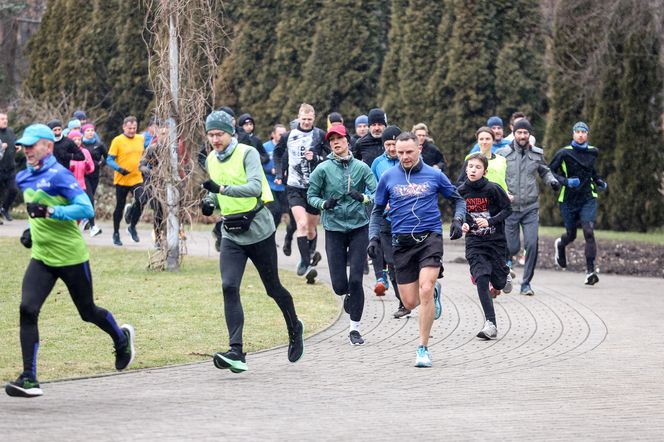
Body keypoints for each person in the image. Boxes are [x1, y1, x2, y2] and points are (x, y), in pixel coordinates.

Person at [5, 124, 135, 398]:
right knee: (27, 309)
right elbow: (35, 211)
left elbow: (86, 208)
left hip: (71, 257)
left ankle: (121, 339)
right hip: (42, 257)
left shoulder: (59, 175)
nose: (27, 150)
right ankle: (29, 378)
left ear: (47, 146)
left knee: (87, 311)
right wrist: (31, 230)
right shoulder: (25, 177)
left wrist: (52, 211)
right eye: (25, 146)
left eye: (32, 145)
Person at [200, 110, 304, 373]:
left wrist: (220, 190)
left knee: (273, 288)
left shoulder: (247, 153)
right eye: (211, 135)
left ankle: (294, 327)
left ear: (230, 133)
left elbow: (255, 187)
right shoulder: (211, 158)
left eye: (219, 134)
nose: (215, 139)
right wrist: (210, 202)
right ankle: (236, 351)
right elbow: (217, 193)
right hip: (232, 232)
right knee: (228, 286)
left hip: (258, 230)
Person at [369, 132, 466, 367]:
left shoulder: (434, 175)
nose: (404, 157)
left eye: (409, 152)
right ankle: (433, 294)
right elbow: (376, 211)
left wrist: (457, 220)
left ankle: (423, 348)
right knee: (410, 303)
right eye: (400, 153)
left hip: (429, 239)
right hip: (402, 244)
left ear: (419, 149)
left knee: (424, 289)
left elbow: (458, 199)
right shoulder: (388, 177)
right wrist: (373, 237)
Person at [307, 124, 377, 345]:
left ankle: (354, 329)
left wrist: (363, 198)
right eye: (332, 140)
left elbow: (376, 192)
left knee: (356, 280)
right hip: (334, 229)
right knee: (339, 285)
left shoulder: (362, 167)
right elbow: (311, 195)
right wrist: (324, 204)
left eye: (340, 138)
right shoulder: (323, 169)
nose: (336, 142)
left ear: (348, 140)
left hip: (359, 227)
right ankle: (348, 296)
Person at [496, 119, 560, 296]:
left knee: (532, 244)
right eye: (519, 132)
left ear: (529, 134)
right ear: (514, 134)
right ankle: (506, 268)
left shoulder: (537, 154)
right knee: (513, 247)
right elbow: (497, 176)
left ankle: (526, 284)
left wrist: (551, 181)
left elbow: (544, 171)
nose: (522, 136)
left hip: (530, 207)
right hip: (510, 208)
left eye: (525, 133)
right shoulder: (503, 154)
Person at [458, 153, 513, 340]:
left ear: (485, 171)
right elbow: (458, 216)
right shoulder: (461, 191)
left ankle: (505, 273)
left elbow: (508, 209)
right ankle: (491, 324)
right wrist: (462, 225)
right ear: (466, 169)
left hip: (495, 242)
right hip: (475, 243)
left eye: (477, 167)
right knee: (482, 278)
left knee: (498, 283)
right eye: (470, 166)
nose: (473, 170)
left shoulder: (493, 189)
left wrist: (490, 221)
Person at [274, 103, 328, 283]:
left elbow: (329, 157)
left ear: (314, 119)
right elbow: (278, 153)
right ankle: (305, 262)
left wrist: (317, 158)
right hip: (294, 186)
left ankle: (311, 253)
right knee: (302, 224)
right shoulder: (289, 136)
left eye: (309, 120)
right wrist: (279, 172)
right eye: (303, 119)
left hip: (314, 188)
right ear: (298, 117)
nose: (306, 122)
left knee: (312, 229)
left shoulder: (319, 135)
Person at [550, 121, 607, 285]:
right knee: (572, 235)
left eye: (584, 132)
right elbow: (550, 171)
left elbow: (592, 172)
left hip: (587, 197)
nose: (581, 134)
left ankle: (590, 272)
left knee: (589, 231)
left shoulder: (593, 152)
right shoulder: (563, 153)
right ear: (573, 134)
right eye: (578, 131)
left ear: (587, 134)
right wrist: (566, 181)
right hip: (568, 199)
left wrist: (599, 181)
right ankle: (560, 245)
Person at [370, 125, 409, 318]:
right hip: (386, 222)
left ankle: (427, 291)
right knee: (392, 263)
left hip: (409, 220)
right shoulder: (377, 163)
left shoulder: (410, 160)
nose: (392, 149)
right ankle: (403, 302)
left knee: (409, 261)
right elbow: (371, 188)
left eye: (395, 144)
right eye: (388, 144)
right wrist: (380, 202)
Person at [107, 116, 145, 246]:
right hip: (122, 179)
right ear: (124, 127)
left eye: (134, 128)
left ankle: (132, 226)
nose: (132, 130)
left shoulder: (140, 139)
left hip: (136, 178)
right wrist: (119, 168)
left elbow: (147, 152)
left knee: (142, 199)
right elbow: (109, 159)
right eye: (129, 128)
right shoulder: (117, 141)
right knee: (119, 207)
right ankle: (116, 233)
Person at [262, 124, 294, 247]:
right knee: (275, 210)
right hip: (270, 185)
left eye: (284, 134)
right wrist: (271, 170)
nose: (282, 136)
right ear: (273, 135)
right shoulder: (265, 147)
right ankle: (267, 238)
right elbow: (259, 164)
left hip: (283, 185)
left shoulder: (288, 147)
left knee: (281, 213)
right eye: (280, 134)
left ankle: (271, 237)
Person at [457, 126, 508, 192]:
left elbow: (507, 181)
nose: (484, 142)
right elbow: (460, 182)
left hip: (500, 198)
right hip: (479, 199)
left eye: (487, 139)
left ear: (493, 140)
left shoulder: (502, 160)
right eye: (481, 139)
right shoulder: (471, 158)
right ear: (477, 141)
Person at [81, 123, 107, 237]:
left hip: (95, 176)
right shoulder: (80, 145)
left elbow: (107, 157)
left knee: (89, 199)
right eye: (88, 131)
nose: (90, 132)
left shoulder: (99, 145)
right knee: (90, 199)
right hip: (83, 176)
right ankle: (92, 226)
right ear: (83, 133)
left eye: (92, 130)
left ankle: (84, 219)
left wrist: (100, 164)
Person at [0, 111, 18, 222]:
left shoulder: (10, 131)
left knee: (14, 190)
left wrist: (17, 147)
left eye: (6, 119)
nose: (5, 121)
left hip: (10, 167)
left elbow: (14, 143)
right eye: (2, 119)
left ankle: (4, 209)